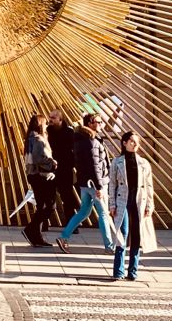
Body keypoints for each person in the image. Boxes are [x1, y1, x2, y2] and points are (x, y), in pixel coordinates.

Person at [55, 113, 113, 252]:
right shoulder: (91, 141)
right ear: (90, 123)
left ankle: (64, 237)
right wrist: (99, 186)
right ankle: (109, 246)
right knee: (103, 213)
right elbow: (95, 166)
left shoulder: (81, 139)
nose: (101, 124)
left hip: (85, 183)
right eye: (98, 122)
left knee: (83, 212)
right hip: (95, 184)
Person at [108, 131, 156, 281]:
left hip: (138, 201)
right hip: (123, 200)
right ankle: (118, 271)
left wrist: (150, 204)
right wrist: (112, 204)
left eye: (137, 142)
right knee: (122, 235)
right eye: (132, 141)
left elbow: (149, 186)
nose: (135, 145)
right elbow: (112, 185)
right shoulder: (117, 162)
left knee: (136, 236)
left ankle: (133, 271)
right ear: (124, 143)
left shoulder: (144, 163)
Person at [21, 114, 57, 247]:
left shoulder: (30, 138)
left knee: (41, 206)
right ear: (41, 124)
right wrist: (52, 162)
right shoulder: (38, 139)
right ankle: (31, 229)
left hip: (34, 175)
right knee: (50, 206)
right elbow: (38, 158)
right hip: (41, 176)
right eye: (45, 123)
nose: (47, 125)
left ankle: (36, 236)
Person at [47, 108, 77, 226]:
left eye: (53, 118)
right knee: (48, 198)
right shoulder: (47, 131)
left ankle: (71, 225)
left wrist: (70, 164)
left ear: (60, 119)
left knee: (68, 198)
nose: (50, 120)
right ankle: (43, 223)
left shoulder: (69, 132)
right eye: (50, 117)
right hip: (50, 169)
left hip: (65, 170)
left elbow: (74, 150)